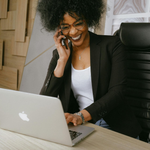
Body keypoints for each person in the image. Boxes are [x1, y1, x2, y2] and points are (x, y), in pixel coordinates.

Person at [37, 0, 142, 138]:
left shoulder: (112, 46)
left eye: (78, 23)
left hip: (114, 125)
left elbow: (117, 92)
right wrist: (62, 61)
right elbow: (46, 98)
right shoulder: (60, 54)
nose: (73, 32)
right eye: (66, 27)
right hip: (80, 126)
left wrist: (81, 116)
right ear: (59, 28)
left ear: (88, 19)